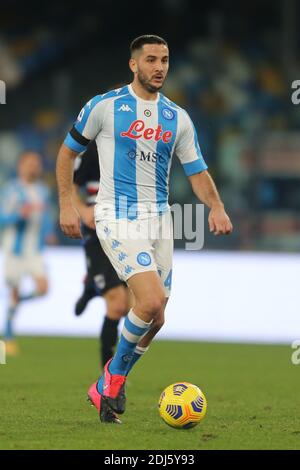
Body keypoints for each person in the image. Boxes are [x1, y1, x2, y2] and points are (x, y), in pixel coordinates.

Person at [56, 34, 233, 424]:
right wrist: (67, 204)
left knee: (157, 317)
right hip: (116, 215)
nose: (159, 67)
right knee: (149, 302)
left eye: (165, 59)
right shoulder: (105, 106)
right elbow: (68, 152)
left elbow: (197, 171)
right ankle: (115, 380)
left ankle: (106, 380)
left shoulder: (177, 118)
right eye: (151, 59)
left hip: (160, 220)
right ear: (134, 64)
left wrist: (216, 207)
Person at [72, 140, 130, 367]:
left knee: (130, 308)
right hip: (97, 229)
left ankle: (91, 286)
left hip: (128, 230)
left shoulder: (138, 147)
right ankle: (109, 373)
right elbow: (71, 187)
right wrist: (83, 209)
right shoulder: (92, 152)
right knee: (116, 304)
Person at [0, 151, 55, 355]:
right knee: (14, 289)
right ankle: (8, 335)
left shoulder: (42, 190)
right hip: (14, 250)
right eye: (30, 163)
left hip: (35, 251)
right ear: (20, 166)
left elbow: (46, 215)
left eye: (37, 163)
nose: (34, 166)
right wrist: (17, 215)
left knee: (43, 288)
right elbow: (2, 219)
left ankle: (17, 301)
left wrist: (49, 232)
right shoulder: (11, 190)